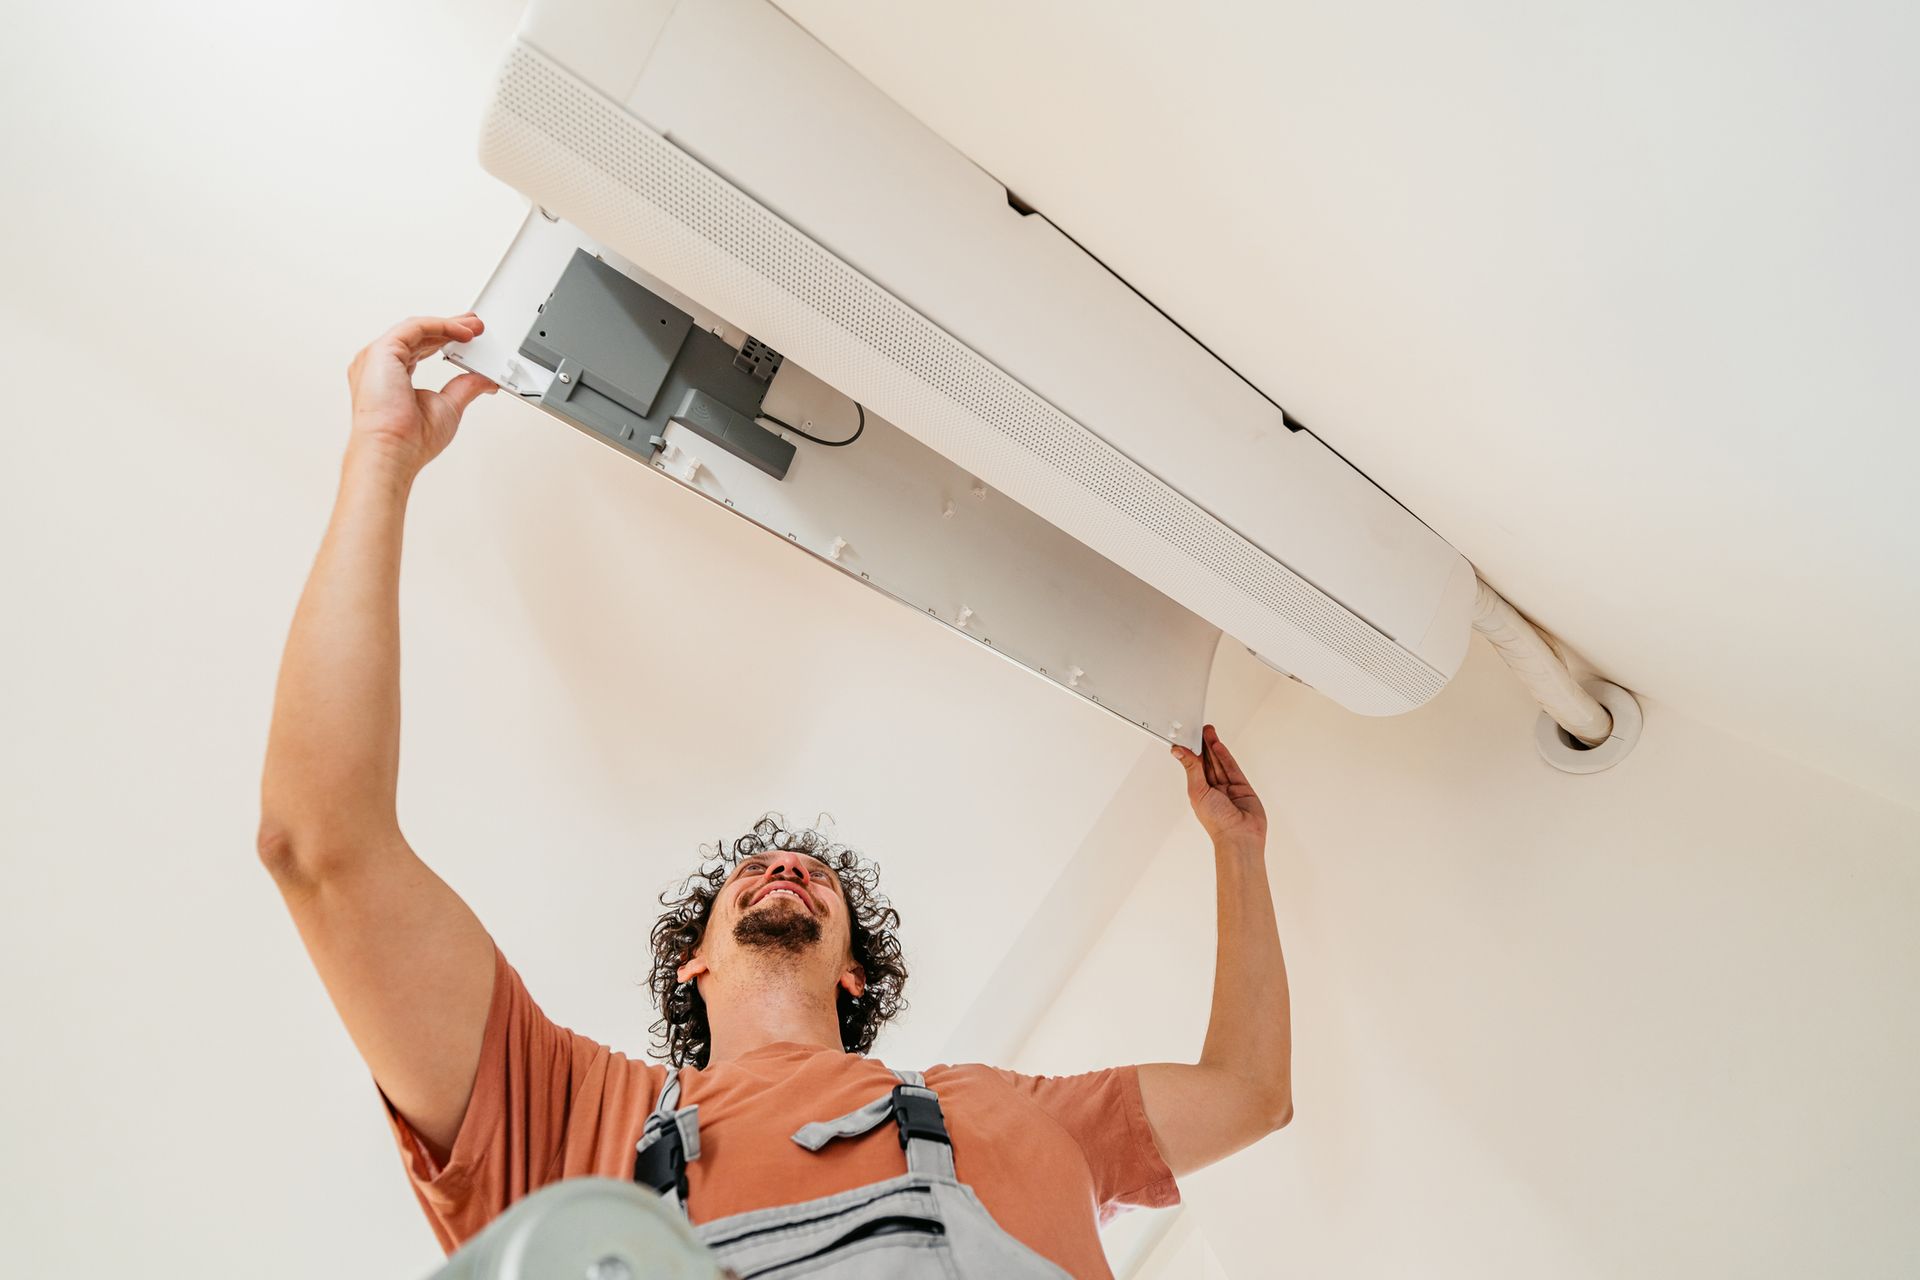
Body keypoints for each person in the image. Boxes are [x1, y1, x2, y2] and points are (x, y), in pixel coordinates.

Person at [258, 313, 1295, 1279]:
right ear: (693, 958)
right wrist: (382, 455)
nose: (785, 868)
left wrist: (1237, 850)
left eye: (809, 874)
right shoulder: (571, 1118)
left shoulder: (1000, 1108)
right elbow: (320, 844)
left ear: (855, 973)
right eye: (751, 874)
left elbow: (1250, 1094)